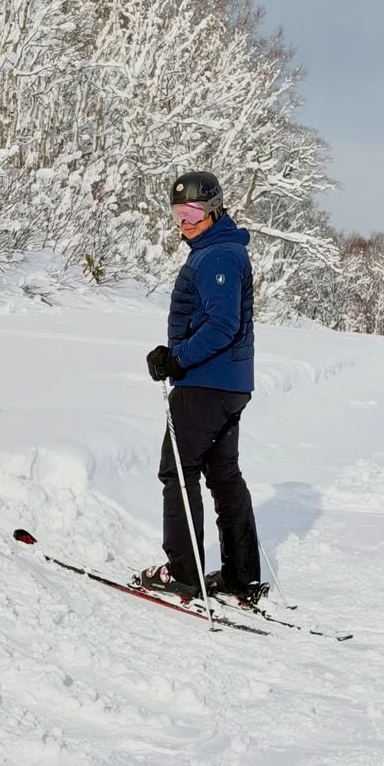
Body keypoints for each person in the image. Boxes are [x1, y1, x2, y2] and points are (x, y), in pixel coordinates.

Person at [140, 171, 266, 606]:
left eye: (193, 212)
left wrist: (177, 358)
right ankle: (240, 576)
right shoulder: (220, 250)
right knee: (222, 473)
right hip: (227, 384)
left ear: (214, 208)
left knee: (178, 469)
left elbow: (222, 325)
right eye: (178, 213)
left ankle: (182, 574)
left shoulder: (216, 257)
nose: (185, 222)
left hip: (207, 383)